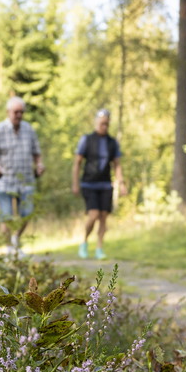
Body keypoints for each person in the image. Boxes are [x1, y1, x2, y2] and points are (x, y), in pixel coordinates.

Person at [0, 96, 45, 257]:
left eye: (21, 112)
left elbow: (37, 153)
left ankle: (16, 240)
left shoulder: (29, 130)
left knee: (27, 213)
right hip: (4, 181)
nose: (19, 115)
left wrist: (39, 165)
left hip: (26, 181)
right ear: (8, 112)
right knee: (6, 216)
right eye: (16, 112)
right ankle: (9, 249)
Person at [72, 108, 125, 260]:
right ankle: (84, 241)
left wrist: (121, 183)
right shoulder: (87, 140)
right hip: (89, 184)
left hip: (106, 184)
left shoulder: (112, 142)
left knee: (103, 217)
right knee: (93, 214)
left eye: (107, 124)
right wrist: (75, 183)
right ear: (96, 123)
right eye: (102, 123)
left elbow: (117, 165)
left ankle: (99, 248)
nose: (104, 126)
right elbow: (77, 163)